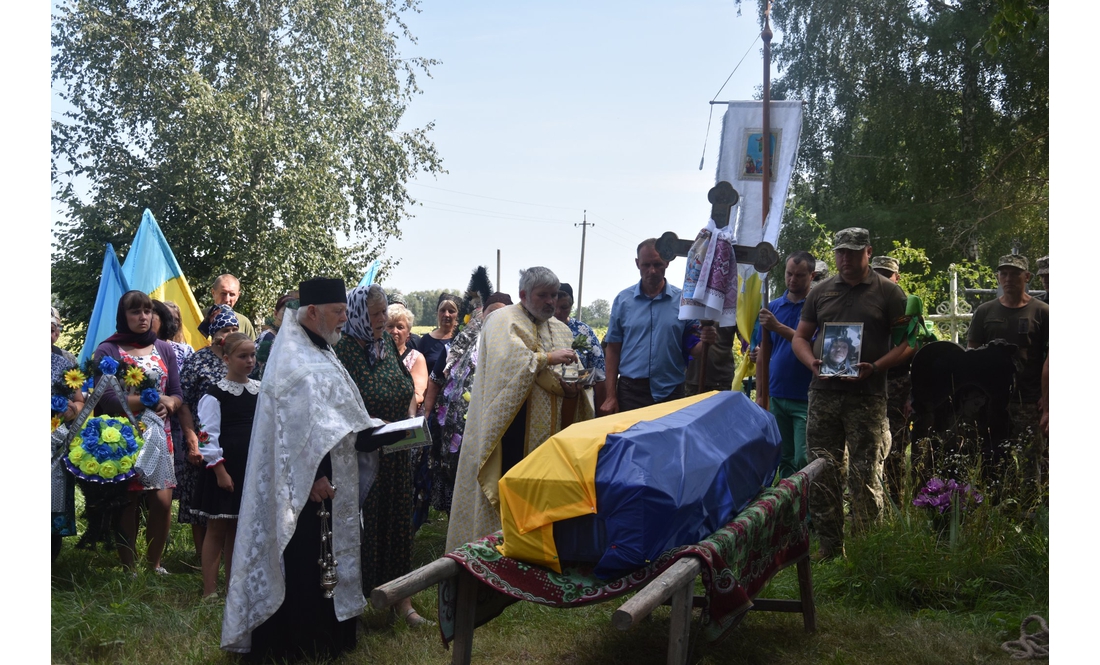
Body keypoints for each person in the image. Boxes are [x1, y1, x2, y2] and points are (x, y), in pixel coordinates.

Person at [222, 277, 384, 659]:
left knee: (330, 558)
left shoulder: (322, 349)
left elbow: (331, 414)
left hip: (332, 474)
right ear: (313, 312)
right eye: (338, 312)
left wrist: (372, 428)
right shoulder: (292, 356)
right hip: (306, 484)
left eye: (346, 311)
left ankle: (333, 636)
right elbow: (291, 430)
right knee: (307, 562)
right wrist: (312, 476)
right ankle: (300, 643)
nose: (345, 319)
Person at [445, 268, 592, 551]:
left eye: (554, 295)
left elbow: (568, 371)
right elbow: (507, 367)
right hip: (512, 426)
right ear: (524, 295)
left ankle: (541, 548)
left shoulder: (561, 328)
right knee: (509, 489)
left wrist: (574, 387)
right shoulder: (503, 320)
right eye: (543, 295)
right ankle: (498, 547)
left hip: (550, 430)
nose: (550, 302)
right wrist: (547, 358)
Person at [791, 228, 909, 560]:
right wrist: (811, 362)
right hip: (823, 393)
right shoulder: (821, 292)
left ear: (868, 252)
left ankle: (868, 552)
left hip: (868, 396)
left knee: (865, 473)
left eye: (853, 252)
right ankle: (829, 548)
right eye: (840, 252)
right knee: (822, 470)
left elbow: (909, 342)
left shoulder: (888, 293)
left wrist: (877, 366)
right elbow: (800, 337)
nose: (845, 259)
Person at [334, 285, 428, 627]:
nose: (382, 320)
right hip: (362, 457)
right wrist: (374, 425)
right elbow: (339, 406)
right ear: (358, 313)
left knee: (397, 525)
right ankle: (358, 604)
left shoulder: (386, 344)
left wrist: (407, 421)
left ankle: (402, 600)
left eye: (384, 313)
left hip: (396, 453)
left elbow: (406, 388)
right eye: (374, 314)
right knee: (366, 528)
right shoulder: (341, 351)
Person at [93, 290, 185, 573]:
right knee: (127, 502)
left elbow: (177, 394)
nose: (143, 317)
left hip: (161, 434)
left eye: (147, 311)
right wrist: (150, 399)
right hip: (123, 436)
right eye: (135, 312)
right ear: (124, 316)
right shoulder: (108, 350)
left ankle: (154, 564)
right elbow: (104, 399)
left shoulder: (164, 349)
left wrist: (169, 402)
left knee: (161, 501)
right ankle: (129, 567)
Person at [601, 239, 717, 414]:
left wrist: (708, 340)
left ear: (667, 262)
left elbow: (694, 348)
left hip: (670, 392)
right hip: (631, 392)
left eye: (657, 264)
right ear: (637, 263)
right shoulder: (623, 300)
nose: (652, 271)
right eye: (646, 265)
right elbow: (613, 349)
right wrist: (610, 396)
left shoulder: (684, 301)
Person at [425, 292, 512, 516]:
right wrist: (426, 414)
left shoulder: (514, 343)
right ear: (483, 315)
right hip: (461, 428)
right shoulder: (463, 342)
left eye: (502, 312)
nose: (496, 318)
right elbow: (436, 380)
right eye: (491, 312)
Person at [967, 254, 1049, 491]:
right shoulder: (985, 311)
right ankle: (996, 511)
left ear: (1027, 277)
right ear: (997, 277)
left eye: (1015, 273)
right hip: (992, 401)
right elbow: (971, 356)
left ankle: (1030, 515)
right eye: (1004, 273)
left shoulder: (1042, 312)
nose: (1009, 278)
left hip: (1029, 400)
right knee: (993, 459)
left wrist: (1047, 399)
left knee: (1030, 462)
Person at [192, 332, 259, 600]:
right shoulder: (215, 393)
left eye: (253, 355)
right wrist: (219, 470)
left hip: (248, 467)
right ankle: (210, 589)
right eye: (243, 356)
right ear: (228, 358)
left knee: (238, 528)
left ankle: (233, 587)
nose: (250, 361)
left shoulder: (259, 390)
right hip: (224, 468)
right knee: (217, 527)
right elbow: (207, 434)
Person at [179, 305, 240, 561]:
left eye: (235, 329)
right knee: (200, 501)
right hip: (202, 438)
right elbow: (184, 401)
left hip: (233, 439)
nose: (231, 333)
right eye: (226, 329)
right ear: (215, 333)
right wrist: (192, 440)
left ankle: (229, 557)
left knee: (228, 503)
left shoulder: (242, 357)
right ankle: (201, 557)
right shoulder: (198, 360)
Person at [755, 251, 816, 478]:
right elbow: (763, 352)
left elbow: (812, 344)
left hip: (804, 395)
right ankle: (790, 508)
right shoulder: (773, 307)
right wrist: (761, 394)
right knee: (784, 457)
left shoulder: (815, 307)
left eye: (799, 275)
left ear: (812, 275)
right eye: (789, 274)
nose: (792, 280)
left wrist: (778, 326)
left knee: (804, 456)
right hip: (777, 392)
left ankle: (809, 508)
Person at [872, 256, 917, 504]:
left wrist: (912, 396)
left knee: (897, 447)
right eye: (877, 273)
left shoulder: (906, 306)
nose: (882, 279)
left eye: (887, 274)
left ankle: (896, 502)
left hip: (897, 384)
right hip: (868, 384)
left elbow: (914, 346)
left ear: (897, 277)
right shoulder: (864, 303)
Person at [51, 308, 85, 559]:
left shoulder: (67, 360)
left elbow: (79, 401)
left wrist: (70, 411)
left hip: (56, 439)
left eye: (52, 329)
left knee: (54, 500)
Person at [554, 282, 607, 409]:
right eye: (554, 307)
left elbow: (599, 373)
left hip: (580, 401)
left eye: (564, 307)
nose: (557, 312)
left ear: (571, 306)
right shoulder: (540, 329)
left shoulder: (583, 331)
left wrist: (578, 378)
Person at [386, 303, 427, 414]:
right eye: (390, 326)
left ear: (408, 333)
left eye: (400, 327)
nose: (394, 331)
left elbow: (418, 395)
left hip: (406, 418)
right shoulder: (375, 354)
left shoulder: (416, 358)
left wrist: (388, 401)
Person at [253, 291, 297, 379]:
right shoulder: (268, 337)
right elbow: (262, 368)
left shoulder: (290, 337)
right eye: (284, 313)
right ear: (275, 314)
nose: (288, 317)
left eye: (293, 314)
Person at [211, 274, 256, 339]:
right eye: (223, 293)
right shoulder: (198, 317)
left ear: (238, 296)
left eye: (232, 294)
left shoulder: (244, 323)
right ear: (213, 293)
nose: (227, 299)